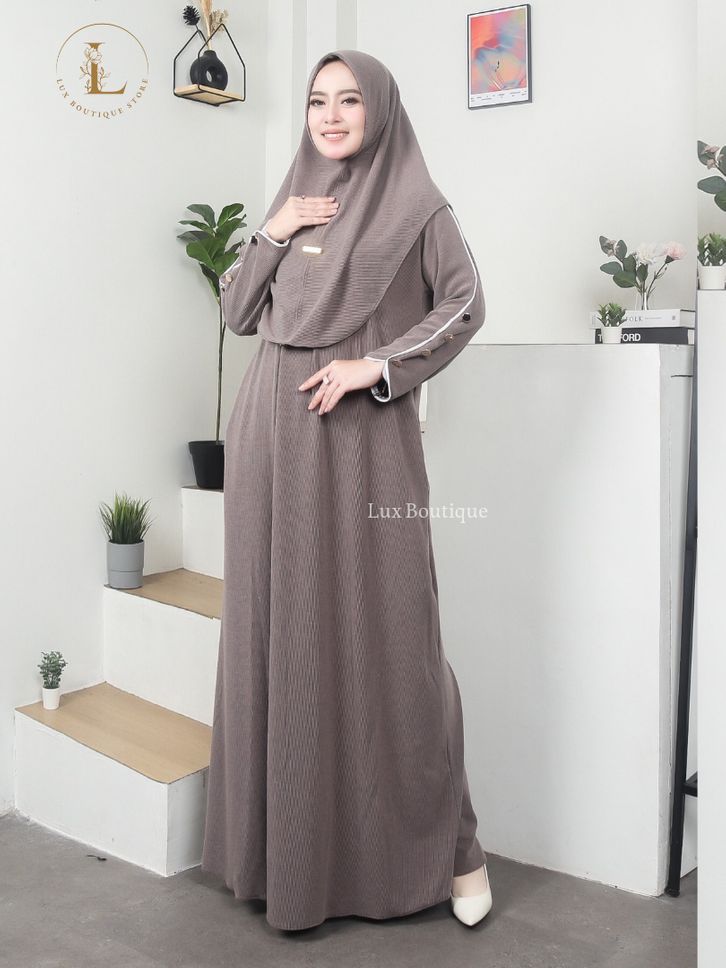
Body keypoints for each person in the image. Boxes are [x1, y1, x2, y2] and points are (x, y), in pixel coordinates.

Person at [201, 48, 492, 931]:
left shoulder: (419, 207)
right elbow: (238, 313)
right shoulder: (292, 203)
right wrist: (274, 227)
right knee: (276, 637)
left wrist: (377, 365)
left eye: (349, 100)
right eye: (317, 101)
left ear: (382, 110)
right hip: (269, 435)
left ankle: (455, 850)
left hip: (362, 439)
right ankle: (286, 857)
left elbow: (466, 304)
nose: (330, 116)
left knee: (395, 636)